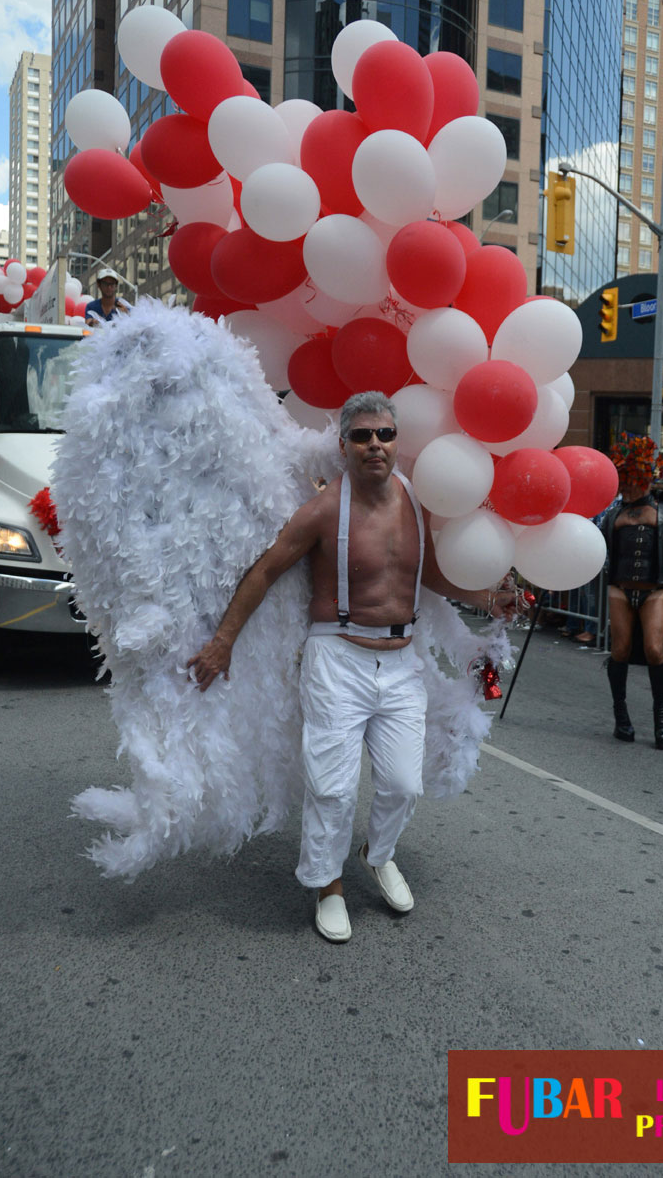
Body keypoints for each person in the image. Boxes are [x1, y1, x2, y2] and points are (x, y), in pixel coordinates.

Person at [187, 391, 521, 943]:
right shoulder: (324, 510)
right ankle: (328, 884)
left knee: (403, 783)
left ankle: (377, 853)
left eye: (384, 435)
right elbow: (265, 571)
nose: (374, 445)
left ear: (396, 442)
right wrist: (223, 642)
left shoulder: (417, 501)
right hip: (337, 659)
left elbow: (428, 573)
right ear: (343, 445)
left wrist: (489, 599)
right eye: (362, 436)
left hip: (402, 663)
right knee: (332, 788)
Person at [601, 434, 663, 750]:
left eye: (628, 481)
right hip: (620, 588)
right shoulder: (613, 514)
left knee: (655, 650)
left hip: (655, 590)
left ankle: (661, 718)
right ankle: (621, 716)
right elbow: (596, 550)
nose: (623, 487)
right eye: (621, 481)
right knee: (620, 650)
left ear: (642, 478)